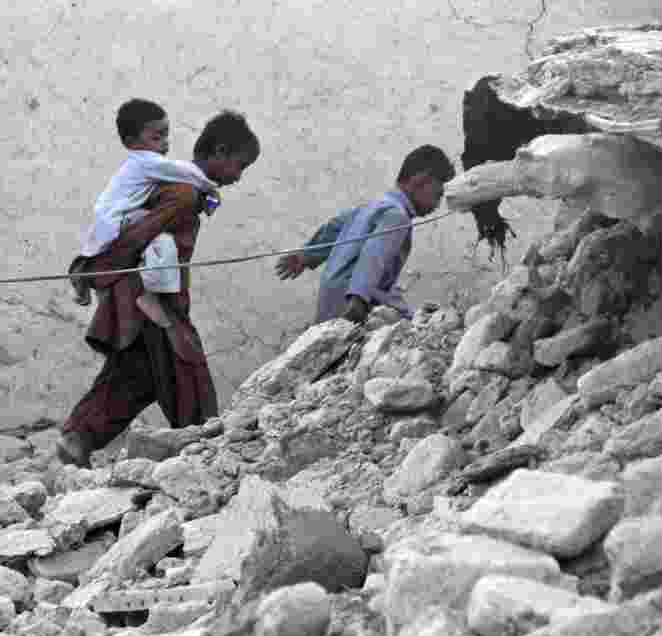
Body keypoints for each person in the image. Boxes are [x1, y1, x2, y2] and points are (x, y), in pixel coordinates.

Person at [56, 110, 260, 467]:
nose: (239, 178)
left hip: (153, 297)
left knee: (138, 376)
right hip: (152, 301)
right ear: (220, 151)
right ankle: (205, 454)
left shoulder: (188, 189)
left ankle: (80, 437)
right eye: (239, 167)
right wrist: (95, 271)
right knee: (187, 369)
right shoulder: (181, 192)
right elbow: (137, 237)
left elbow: (204, 202)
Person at [69, 98, 220, 329]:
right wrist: (211, 189)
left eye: (166, 135)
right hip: (118, 221)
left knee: (149, 246)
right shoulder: (146, 161)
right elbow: (182, 171)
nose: (164, 143)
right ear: (132, 142)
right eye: (156, 137)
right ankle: (148, 293)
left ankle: (88, 279)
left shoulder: (139, 163)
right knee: (161, 241)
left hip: (110, 221)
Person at [275, 145, 455, 324]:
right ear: (420, 181)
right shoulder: (397, 218)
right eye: (437, 195)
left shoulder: (371, 207)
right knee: (414, 321)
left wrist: (306, 255)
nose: (437, 205)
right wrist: (359, 298)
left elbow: (334, 229)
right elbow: (374, 255)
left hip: (329, 303)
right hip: (351, 306)